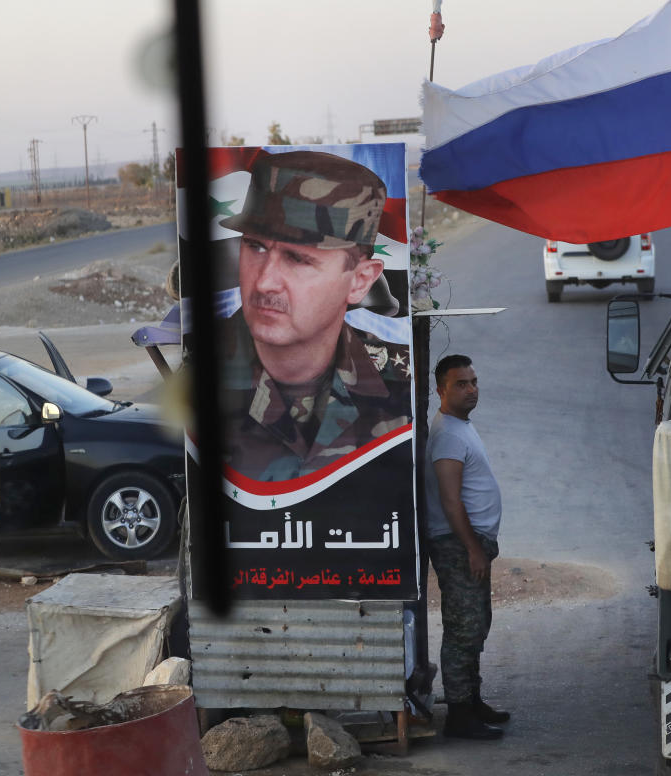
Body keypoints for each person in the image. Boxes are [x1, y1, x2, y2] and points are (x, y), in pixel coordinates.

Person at [217, 151, 411, 481]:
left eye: (297, 259)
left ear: (361, 280)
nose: (264, 281)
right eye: (255, 247)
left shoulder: (403, 383)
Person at [424, 354, 510, 740]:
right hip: (457, 546)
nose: (472, 389)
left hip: (468, 545)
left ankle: (472, 701)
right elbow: (450, 500)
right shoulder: (447, 435)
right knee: (463, 628)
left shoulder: (459, 426)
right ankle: (459, 715)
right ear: (441, 389)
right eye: (461, 384)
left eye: (474, 382)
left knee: (477, 624)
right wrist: (473, 549)